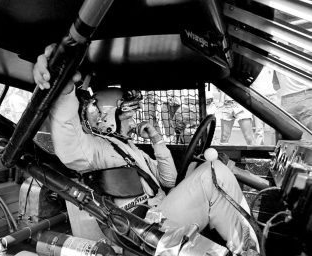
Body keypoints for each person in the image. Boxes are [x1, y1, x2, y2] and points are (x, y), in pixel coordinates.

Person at [33, 44, 259, 255]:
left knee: (200, 168)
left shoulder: (129, 148)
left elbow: (168, 180)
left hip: (160, 212)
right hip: (144, 230)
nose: (133, 122)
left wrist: (156, 139)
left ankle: (245, 244)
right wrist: (63, 90)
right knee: (214, 172)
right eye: (128, 116)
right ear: (105, 118)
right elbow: (70, 145)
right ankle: (249, 249)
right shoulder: (96, 148)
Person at [251, 66, 277, 145]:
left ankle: (274, 149)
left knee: (274, 128)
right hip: (258, 96)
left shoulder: (271, 62)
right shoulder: (253, 63)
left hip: (271, 96)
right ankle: (259, 151)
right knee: (259, 129)